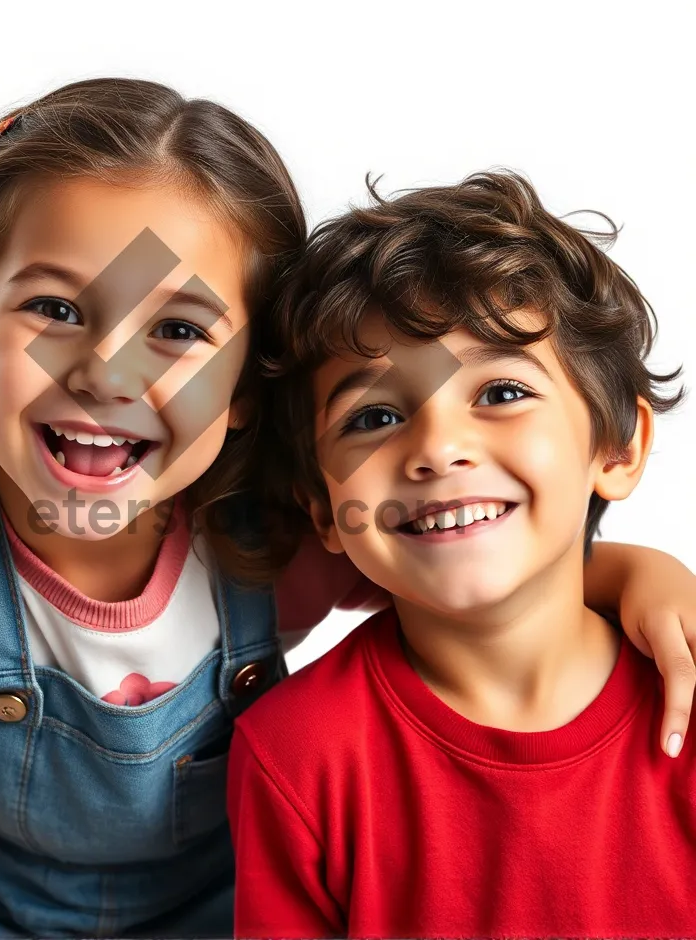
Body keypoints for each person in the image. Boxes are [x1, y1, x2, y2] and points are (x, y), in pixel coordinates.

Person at [0, 94, 692, 940]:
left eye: (178, 331)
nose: (107, 376)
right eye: (55, 310)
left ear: (248, 389)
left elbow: (474, 572)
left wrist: (641, 574)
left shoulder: (276, 537)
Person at [227, 169, 694, 939]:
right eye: (374, 415)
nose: (438, 448)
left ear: (617, 447)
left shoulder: (687, 700)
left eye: (502, 393)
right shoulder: (295, 755)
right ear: (323, 509)